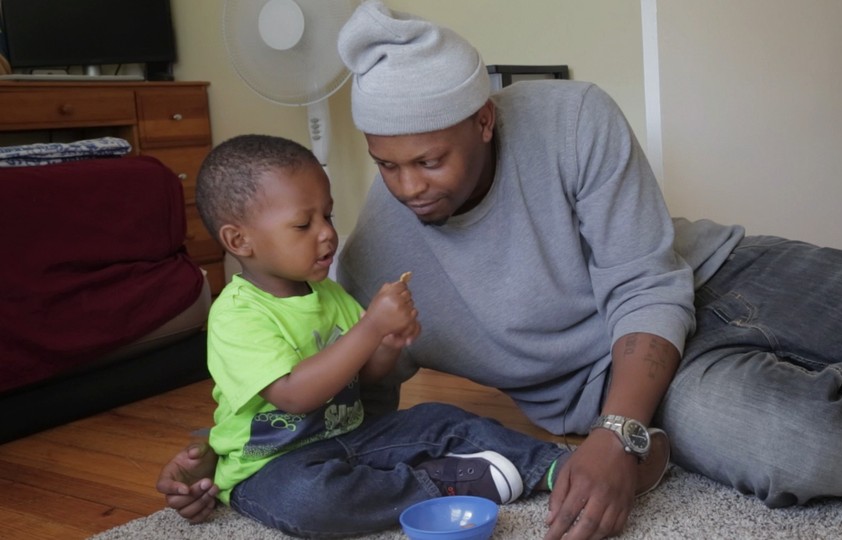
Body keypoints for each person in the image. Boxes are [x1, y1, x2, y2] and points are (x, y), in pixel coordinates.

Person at [160, 3, 842, 539]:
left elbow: (647, 282)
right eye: (386, 165)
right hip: (648, 383)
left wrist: (616, 438)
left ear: (483, 118)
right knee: (805, 448)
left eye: (430, 159)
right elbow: (344, 407)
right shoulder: (372, 257)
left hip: (722, 274)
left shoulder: (570, 116)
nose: (409, 189)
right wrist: (225, 464)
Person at [176, 133, 578, 537]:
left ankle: (556, 467)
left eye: (328, 217)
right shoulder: (237, 313)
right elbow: (293, 396)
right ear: (238, 240)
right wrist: (371, 327)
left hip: (355, 436)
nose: (327, 233)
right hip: (271, 466)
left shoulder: (328, 294)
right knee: (308, 501)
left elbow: (364, 377)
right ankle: (440, 483)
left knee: (438, 418)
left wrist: (387, 344)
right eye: (303, 224)